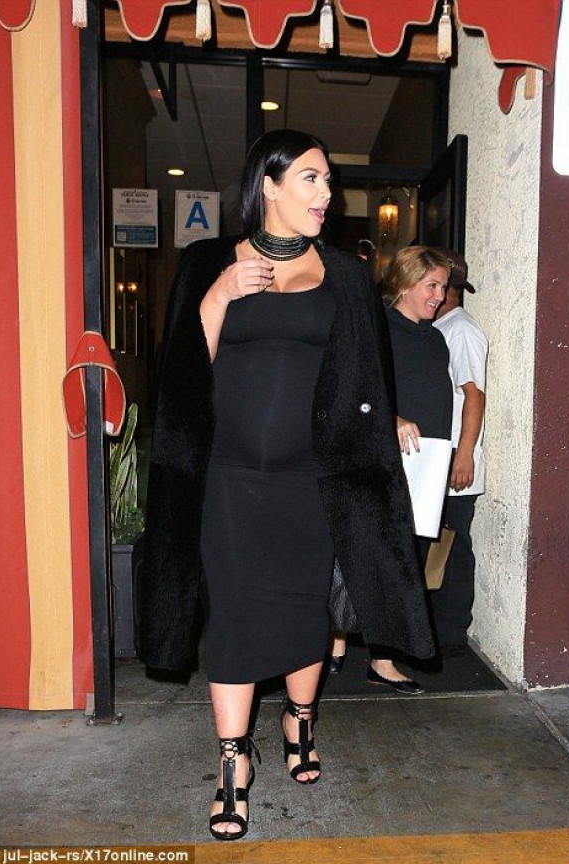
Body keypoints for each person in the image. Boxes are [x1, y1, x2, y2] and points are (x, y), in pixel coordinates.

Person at [138, 130, 433, 841]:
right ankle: (233, 762)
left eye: (328, 180)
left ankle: (300, 721)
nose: (327, 193)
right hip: (228, 480)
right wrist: (218, 296)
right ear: (268, 185)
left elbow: (365, 373)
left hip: (312, 479)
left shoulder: (346, 276)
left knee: (307, 611)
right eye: (311, 179)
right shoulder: (208, 262)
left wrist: (386, 419)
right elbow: (180, 377)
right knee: (234, 613)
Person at [330, 246, 453, 693]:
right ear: (404, 283)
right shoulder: (376, 327)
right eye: (431, 285)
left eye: (443, 287)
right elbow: (351, 389)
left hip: (423, 468)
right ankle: (336, 640)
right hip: (376, 460)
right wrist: (392, 419)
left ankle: (382, 660)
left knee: (404, 562)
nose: (440, 295)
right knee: (359, 551)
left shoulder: (435, 339)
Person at [432, 251, 488, 657]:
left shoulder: (462, 330)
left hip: (455, 460)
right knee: (440, 545)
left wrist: (464, 454)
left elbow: (474, 395)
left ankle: (451, 635)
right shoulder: (440, 327)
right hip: (439, 459)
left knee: (454, 548)